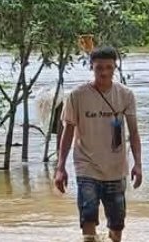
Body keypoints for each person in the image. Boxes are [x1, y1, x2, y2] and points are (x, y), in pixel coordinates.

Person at [54, 46, 143, 242]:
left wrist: (138, 164)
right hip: (87, 166)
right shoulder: (77, 95)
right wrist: (60, 167)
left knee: (117, 223)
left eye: (108, 67)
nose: (104, 72)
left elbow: (134, 132)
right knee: (88, 215)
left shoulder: (125, 95)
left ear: (115, 68)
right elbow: (68, 132)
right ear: (91, 68)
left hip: (116, 167)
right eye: (99, 68)